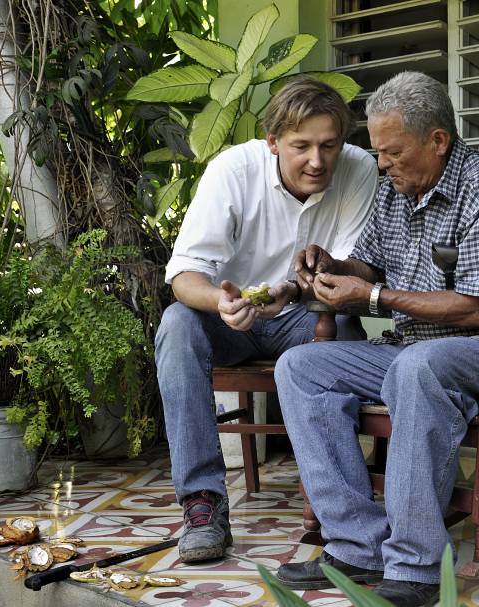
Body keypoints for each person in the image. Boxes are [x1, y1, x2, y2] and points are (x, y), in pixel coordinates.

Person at [273, 71, 479, 607]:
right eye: (377, 152)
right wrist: (330, 264)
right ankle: (357, 546)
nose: (382, 164)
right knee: (299, 367)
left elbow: (476, 309)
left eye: (392, 152)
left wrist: (373, 297)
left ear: (438, 141)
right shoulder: (397, 190)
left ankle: (416, 565)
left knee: (416, 366)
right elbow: (368, 262)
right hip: (417, 354)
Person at [155, 75, 377, 563]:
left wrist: (296, 289)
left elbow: (356, 269)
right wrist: (222, 302)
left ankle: (338, 504)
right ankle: (203, 504)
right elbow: (183, 276)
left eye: (328, 145)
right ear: (273, 142)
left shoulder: (359, 168)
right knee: (176, 324)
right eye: (301, 146)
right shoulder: (233, 170)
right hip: (229, 319)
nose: (317, 161)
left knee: (342, 332)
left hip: (306, 316)